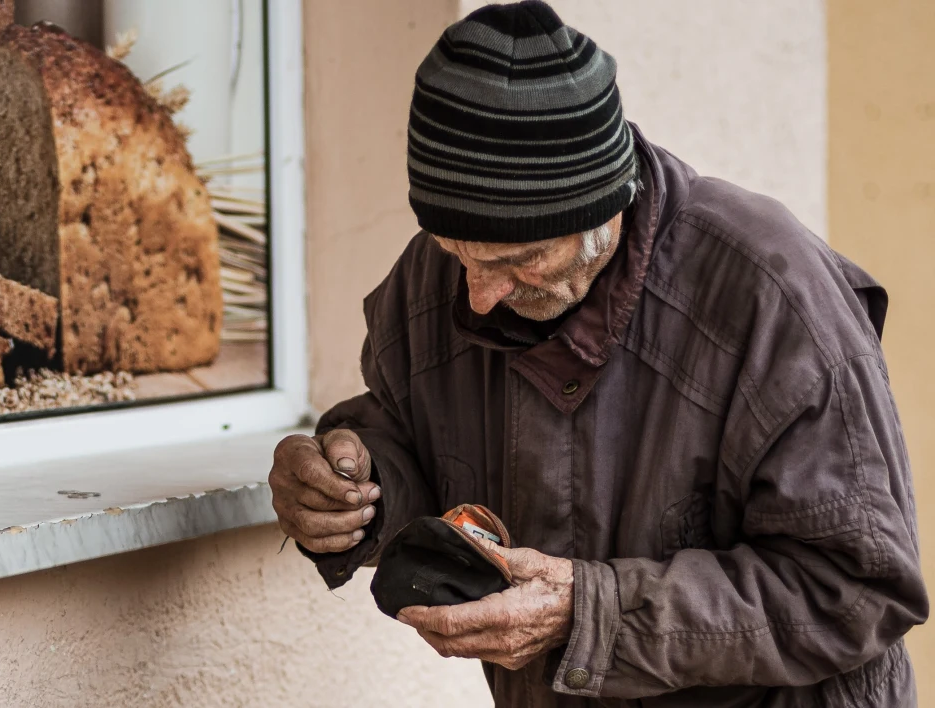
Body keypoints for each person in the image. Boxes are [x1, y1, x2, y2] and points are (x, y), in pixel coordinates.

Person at [268, 1, 928, 705]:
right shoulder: (438, 280)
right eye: (459, 252)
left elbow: (857, 588)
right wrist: (353, 490)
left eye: (520, 259)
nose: (481, 293)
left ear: (603, 208)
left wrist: (589, 610)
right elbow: (411, 436)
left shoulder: (773, 296)